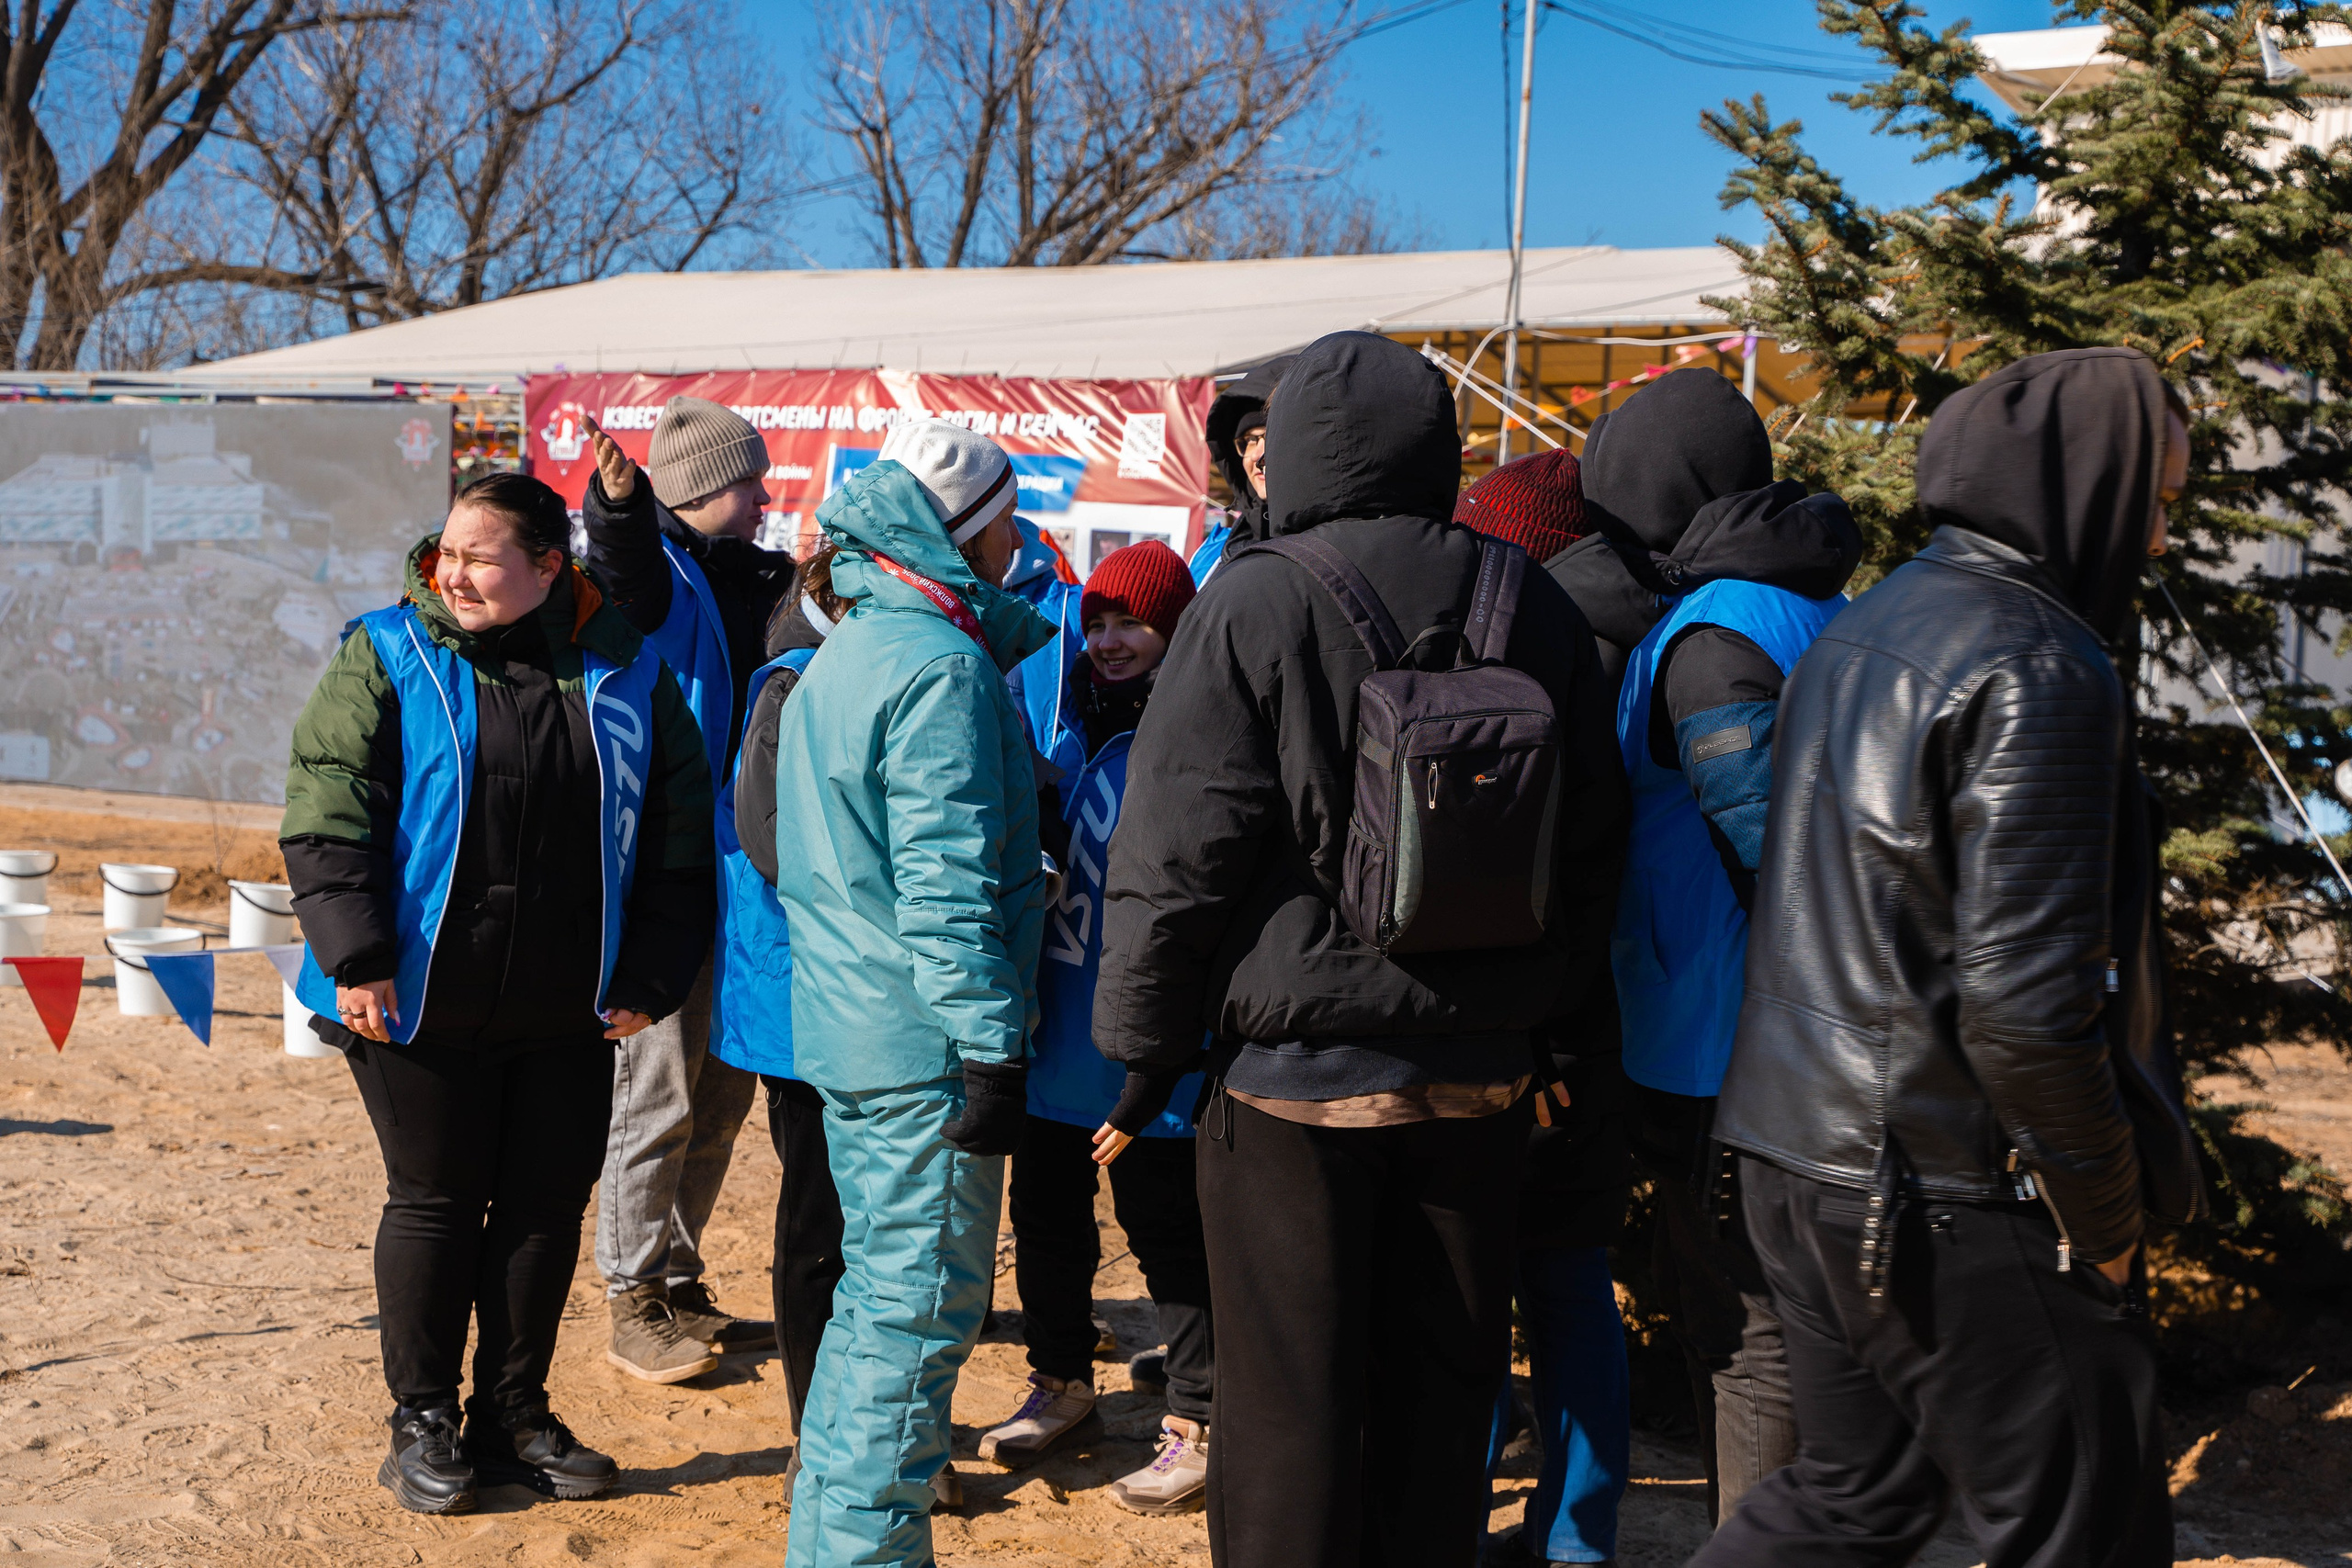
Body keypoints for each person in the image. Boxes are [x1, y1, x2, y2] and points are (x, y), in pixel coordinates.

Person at [1092, 331, 1629, 1568]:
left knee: (1288, 1412)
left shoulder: (1259, 595)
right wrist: (1545, 1020)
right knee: (1442, 1405)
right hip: (1480, 1077)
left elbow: (1179, 855)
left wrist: (1141, 1051)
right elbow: (1596, 842)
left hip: (1294, 1092)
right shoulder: (1527, 595)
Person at [1695, 347, 2205, 1566]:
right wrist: (2107, 1210)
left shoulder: (1872, 622)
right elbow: (2027, 1007)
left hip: (1793, 1149)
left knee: (1851, 1497)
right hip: (1934, 1179)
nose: (2166, 533)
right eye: (2162, 498)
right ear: (2088, 483)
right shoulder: (2042, 663)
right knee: (2089, 1508)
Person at [281, 473, 714, 1515]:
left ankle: (514, 1412)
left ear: (548, 568)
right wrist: (358, 958)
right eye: (447, 553)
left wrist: (651, 975)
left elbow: (679, 838)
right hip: (416, 997)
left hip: (570, 1003)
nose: (456, 572)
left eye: (483, 556)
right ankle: (422, 1418)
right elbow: (327, 810)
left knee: (538, 1214)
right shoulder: (386, 652)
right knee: (435, 1204)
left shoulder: (628, 675)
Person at [1550, 369, 1861, 1525]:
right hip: (1770, 1037)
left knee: (1747, 1338)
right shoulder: (1814, 597)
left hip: (1729, 1050)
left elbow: (1772, 854)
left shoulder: (1711, 641)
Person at [771, 418, 1055, 1567]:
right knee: (913, 1323)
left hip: (856, 1033)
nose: (1016, 548)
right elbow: (947, 889)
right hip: (926, 1048)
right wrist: (992, 1047)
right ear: (967, 532)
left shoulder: (849, 650)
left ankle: (831, 1547)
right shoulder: (937, 667)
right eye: (1005, 526)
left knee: (873, 1313)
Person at [976, 540, 1216, 1516]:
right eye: (1103, 622)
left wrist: (1164, 1052)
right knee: (1045, 1218)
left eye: (1136, 624)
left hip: (1147, 1042)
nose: (1112, 641)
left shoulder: (1196, 732)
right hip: (1058, 1026)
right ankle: (1063, 1380)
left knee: (1169, 1232)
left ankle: (1198, 1416)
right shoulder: (1068, 724)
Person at [581, 399, 794, 1381]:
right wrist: (620, 509)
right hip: (665, 875)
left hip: (740, 878)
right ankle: (630, 1295)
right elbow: (620, 568)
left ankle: (675, 1274)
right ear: (702, 487)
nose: (762, 496)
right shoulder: (656, 578)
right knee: (657, 1088)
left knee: (722, 1092)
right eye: (747, 480)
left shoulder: (744, 578)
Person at [1453, 450, 1633, 1568]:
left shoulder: (1557, 655)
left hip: (1542, 1028)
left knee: (1499, 1287)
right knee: (1562, 1284)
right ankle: (1575, 1537)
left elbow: (1571, 870)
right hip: (1583, 1026)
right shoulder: (1621, 637)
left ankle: (1484, 1526)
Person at [1190, 355, 1293, 584]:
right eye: (1248, 441)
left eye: (1269, 435)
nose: (1257, 456)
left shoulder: (1337, 545)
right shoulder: (1212, 556)